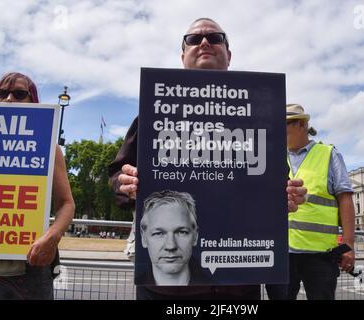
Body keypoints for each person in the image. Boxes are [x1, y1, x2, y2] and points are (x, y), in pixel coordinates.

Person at [108, 18, 307, 300]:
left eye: (215, 37)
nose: (204, 42)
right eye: (194, 39)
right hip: (165, 291)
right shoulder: (153, 113)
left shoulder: (262, 118)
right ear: (182, 56)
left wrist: (287, 196)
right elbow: (117, 175)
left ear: (229, 54)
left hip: (238, 286)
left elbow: (275, 185)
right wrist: (123, 183)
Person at [0, 72, 75, 300]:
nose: (9, 99)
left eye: (19, 94)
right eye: (0, 93)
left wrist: (53, 236)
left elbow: (66, 203)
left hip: (31, 266)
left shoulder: (50, 147)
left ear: (33, 101)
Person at [266, 104, 355, 300]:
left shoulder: (328, 154)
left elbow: (345, 198)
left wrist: (348, 244)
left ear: (302, 124)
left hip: (319, 255)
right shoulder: (271, 156)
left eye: (285, 124)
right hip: (281, 252)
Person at [138, 190, 212, 286]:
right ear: (144, 238)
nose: (171, 245)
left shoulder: (217, 290)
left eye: (182, 232)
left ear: (195, 236)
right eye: (159, 233)